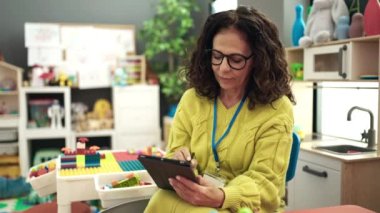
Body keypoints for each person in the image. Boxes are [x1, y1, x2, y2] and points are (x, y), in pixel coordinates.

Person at [145, 6, 295, 213]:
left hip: (247, 207)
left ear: (258, 60)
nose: (223, 68)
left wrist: (223, 196)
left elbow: (266, 183)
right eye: (217, 56)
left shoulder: (276, 108)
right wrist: (178, 162)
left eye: (236, 60)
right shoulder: (192, 100)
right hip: (196, 195)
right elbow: (173, 151)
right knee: (160, 198)